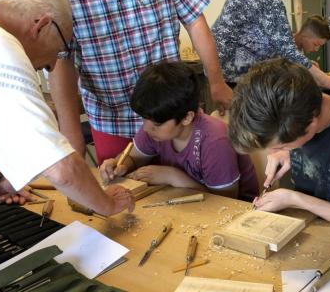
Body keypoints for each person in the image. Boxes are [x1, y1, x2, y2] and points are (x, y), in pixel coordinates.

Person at [48, 0, 233, 164]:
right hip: (111, 118)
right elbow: (61, 61)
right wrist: (71, 134)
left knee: (185, 182)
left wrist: (216, 82)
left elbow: (194, 21)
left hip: (168, 113)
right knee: (120, 182)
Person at [0, 0, 134, 216]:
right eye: (60, 51)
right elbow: (60, 168)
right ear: (42, 25)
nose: (53, 65)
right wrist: (108, 204)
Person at [227, 59, 330, 231]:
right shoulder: (304, 102)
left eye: (281, 146)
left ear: (311, 125)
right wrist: (287, 153)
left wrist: (295, 200)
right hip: (313, 225)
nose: (272, 152)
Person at [98, 62, 259, 200]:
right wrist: (120, 164)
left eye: (156, 123)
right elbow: (134, 158)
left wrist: (172, 176)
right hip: (187, 203)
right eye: (144, 119)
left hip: (237, 212)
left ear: (187, 118)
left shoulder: (215, 141)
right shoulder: (156, 123)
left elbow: (226, 201)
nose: (146, 128)